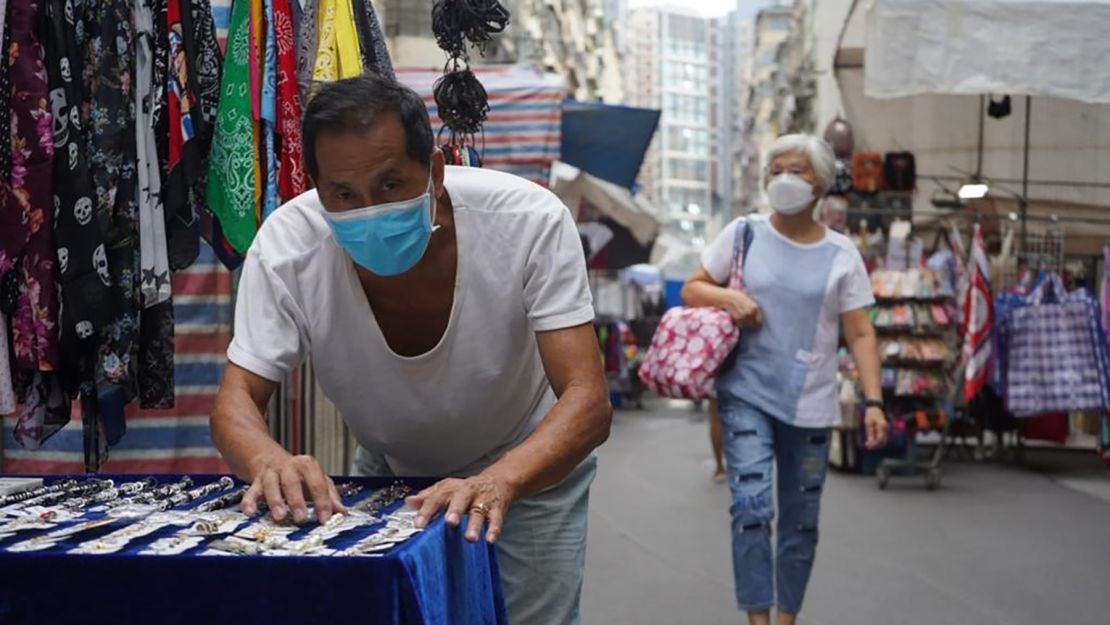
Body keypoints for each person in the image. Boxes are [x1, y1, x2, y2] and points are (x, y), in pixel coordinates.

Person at [209, 74, 612, 625]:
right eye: (344, 195)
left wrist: (502, 480)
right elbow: (236, 399)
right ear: (315, 187)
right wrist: (268, 460)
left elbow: (587, 399)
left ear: (437, 172)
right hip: (389, 465)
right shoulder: (287, 246)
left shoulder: (529, 221)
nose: (370, 209)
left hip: (528, 466)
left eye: (392, 184)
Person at [682, 134, 888, 625]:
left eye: (796, 171)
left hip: (811, 402)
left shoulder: (842, 255)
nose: (783, 180)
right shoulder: (743, 234)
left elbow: (860, 334)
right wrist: (730, 299)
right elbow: (693, 287)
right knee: (751, 508)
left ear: (819, 184)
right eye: (775, 171)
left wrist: (874, 401)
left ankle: (786, 619)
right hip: (746, 392)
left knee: (801, 523)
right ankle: (758, 622)